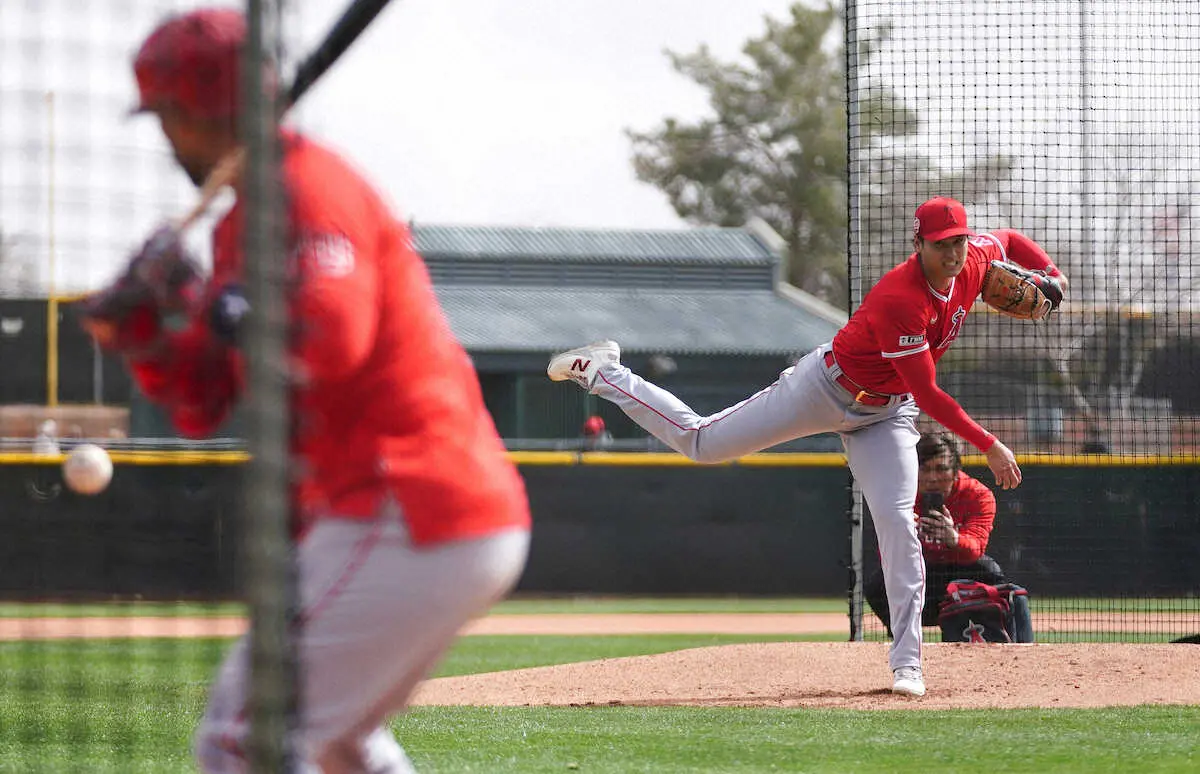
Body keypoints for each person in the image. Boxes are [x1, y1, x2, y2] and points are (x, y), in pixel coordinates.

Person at [81, 9, 531, 772]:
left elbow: (332, 340)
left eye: (170, 117)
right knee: (338, 743)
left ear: (202, 109)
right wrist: (149, 339)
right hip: (400, 516)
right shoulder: (244, 222)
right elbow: (204, 405)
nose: (169, 140)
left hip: (406, 505)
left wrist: (213, 305)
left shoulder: (306, 187)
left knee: (242, 739)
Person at [547, 196, 1066, 697]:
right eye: (939, 244)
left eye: (957, 241)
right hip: (824, 388)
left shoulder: (974, 261)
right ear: (919, 244)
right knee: (703, 443)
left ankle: (908, 663)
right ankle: (604, 371)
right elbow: (929, 391)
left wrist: (1052, 271)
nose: (952, 254)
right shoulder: (899, 298)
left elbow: (1011, 240)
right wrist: (991, 444)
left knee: (897, 523)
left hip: (885, 416)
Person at [863, 432, 1033, 642]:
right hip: (919, 574)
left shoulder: (978, 495)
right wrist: (906, 536)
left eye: (941, 469)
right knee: (877, 584)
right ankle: (905, 640)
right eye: (925, 469)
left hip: (961, 573)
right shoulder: (901, 493)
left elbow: (976, 548)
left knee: (990, 571)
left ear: (955, 473)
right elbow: (886, 555)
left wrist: (953, 538)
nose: (933, 478)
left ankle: (987, 631)